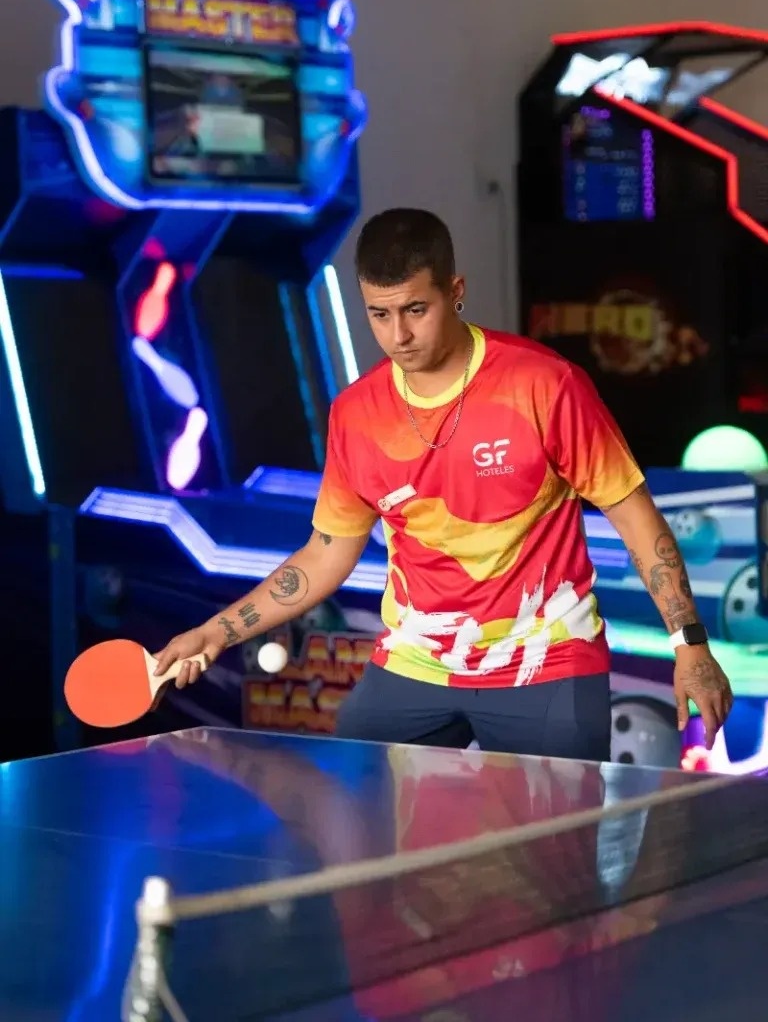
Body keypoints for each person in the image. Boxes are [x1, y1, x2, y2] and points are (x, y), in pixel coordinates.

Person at [154, 208, 733, 761]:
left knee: (556, 834)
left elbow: (634, 516)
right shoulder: (355, 414)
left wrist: (690, 645)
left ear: (455, 291)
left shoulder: (544, 385)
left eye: (415, 309)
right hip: (416, 663)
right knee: (356, 810)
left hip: (546, 660)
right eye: (380, 314)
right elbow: (325, 555)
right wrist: (216, 632)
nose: (399, 334)